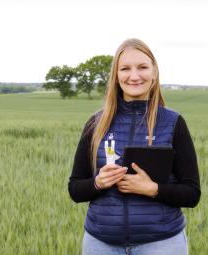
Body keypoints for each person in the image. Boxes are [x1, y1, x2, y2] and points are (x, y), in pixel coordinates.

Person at [68, 38, 200, 255]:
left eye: (142, 67)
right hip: (100, 245)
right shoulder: (96, 123)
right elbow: (75, 189)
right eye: (125, 68)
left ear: (154, 72)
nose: (134, 75)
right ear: (116, 76)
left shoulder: (174, 123)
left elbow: (192, 193)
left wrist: (152, 189)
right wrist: (98, 183)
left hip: (161, 244)